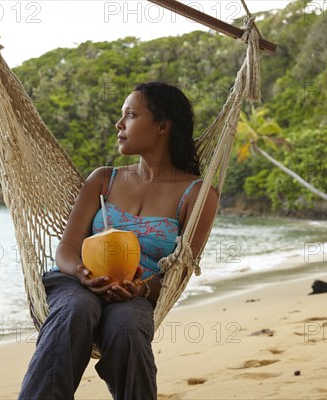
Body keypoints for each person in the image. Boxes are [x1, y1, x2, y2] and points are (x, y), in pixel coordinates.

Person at [18, 82, 218, 400]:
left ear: (163, 126)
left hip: (135, 293)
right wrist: (83, 273)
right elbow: (67, 248)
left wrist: (139, 288)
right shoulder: (103, 179)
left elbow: (177, 274)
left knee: (127, 330)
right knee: (77, 310)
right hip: (75, 282)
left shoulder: (197, 195)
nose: (119, 124)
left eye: (131, 115)